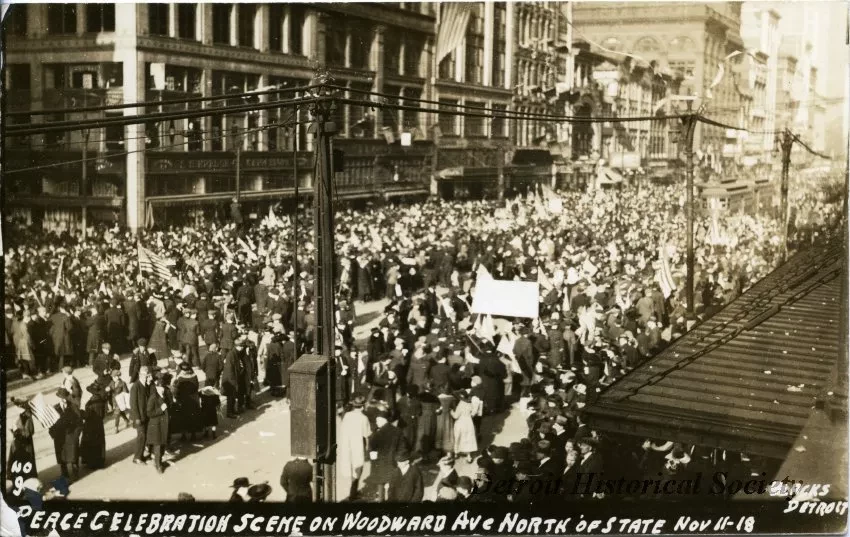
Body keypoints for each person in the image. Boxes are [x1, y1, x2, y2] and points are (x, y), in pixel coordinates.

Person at [337, 395, 372, 500]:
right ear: (362, 406)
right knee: (358, 469)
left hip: (347, 445)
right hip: (358, 446)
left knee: (350, 467)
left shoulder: (347, 415)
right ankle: (353, 492)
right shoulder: (364, 418)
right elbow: (367, 435)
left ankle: (353, 491)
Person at [48, 388, 82, 480]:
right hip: (60, 437)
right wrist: (53, 434)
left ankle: (75, 473)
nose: (63, 399)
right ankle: (65, 474)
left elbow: (79, 421)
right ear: (59, 398)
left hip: (71, 435)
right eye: (61, 397)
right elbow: (50, 424)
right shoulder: (55, 409)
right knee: (62, 457)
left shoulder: (73, 407)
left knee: (73, 455)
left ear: (67, 397)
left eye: (64, 397)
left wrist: (76, 435)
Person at [80, 376, 110, 470]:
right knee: (98, 442)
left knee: (92, 443)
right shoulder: (101, 399)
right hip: (99, 425)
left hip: (91, 425)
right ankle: (99, 461)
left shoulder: (94, 400)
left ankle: (92, 462)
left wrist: (80, 412)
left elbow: (88, 415)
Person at [7, 397, 37, 488]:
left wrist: (17, 432)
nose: (16, 407)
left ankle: (26, 483)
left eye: (18, 405)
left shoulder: (26, 416)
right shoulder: (22, 415)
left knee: (24, 463)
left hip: (24, 444)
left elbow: (29, 432)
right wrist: (15, 432)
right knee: (23, 463)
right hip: (20, 443)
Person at [145, 375, 170, 474]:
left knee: (162, 445)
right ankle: (158, 465)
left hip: (163, 424)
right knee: (158, 446)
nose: (162, 389)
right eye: (160, 388)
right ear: (156, 387)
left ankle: (160, 462)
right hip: (156, 426)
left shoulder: (164, 396)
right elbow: (149, 412)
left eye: (163, 387)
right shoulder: (153, 397)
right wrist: (161, 409)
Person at [130, 366, 151, 465]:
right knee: (141, 436)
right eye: (144, 375)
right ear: (140, 375)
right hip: (139, 417)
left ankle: (141, 456)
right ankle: (137, 458)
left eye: (147, 375)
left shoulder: (145, 385)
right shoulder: (135, 386)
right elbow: (133, 404)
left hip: (145, 415)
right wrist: (137, 417)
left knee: (144, 436)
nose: (146, 377)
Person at [451, 391, 478, 462]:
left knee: (458, 437)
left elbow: (456, 416)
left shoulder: (460, 404)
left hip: (461, 423)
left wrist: (451, 411)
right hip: (469, 423)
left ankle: (456, 453)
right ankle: (469, 456)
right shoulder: (470, 403)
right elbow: (473, 413)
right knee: (468, 438)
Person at [110, 369, 131, 433]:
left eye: (114, 377)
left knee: (117, 413)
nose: (113, 378)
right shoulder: (112, 382)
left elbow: (126, 392)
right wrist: (107, 389)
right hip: (114, 401)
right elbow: (109, 388)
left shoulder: (122, 383)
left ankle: (116, 427)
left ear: (118, 376)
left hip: (120, 400)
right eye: (113, 377)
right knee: (120, 412)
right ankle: (126, 420)